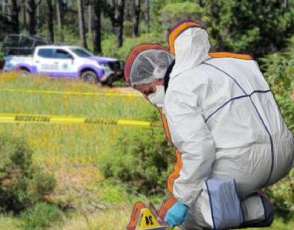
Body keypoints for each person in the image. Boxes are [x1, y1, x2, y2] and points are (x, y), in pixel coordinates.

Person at [126, 20, 294, 229]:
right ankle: (251, 206)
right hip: (285, 155)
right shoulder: (231, 64)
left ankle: (248, 211)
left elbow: (199, 150)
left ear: (160, 72)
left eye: (149, 91)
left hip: (244, 163)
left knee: (192, 208)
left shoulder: (178, 89)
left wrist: (182, 200)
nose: (151, 99)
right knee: (207, 187)